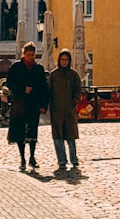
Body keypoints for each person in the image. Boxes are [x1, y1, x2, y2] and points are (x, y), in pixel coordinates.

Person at [6, 42, 48, 170]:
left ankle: (32, 156)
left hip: (33, 103)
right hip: (20, 103)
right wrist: (23, 89)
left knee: (33, 130)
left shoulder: (38, 69)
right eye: (28, 54)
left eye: (32, 55)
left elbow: (43, 88)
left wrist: (43, 104)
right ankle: (22, 158)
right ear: (24, 54)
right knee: (20, 130)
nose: (30, 57)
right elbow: (10, 83)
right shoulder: (16, 67)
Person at [48, 48, 82, 172]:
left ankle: (73, 158)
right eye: (62, 59)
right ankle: (61, 160)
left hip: (69, 110)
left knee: (70, 135)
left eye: (66, 59)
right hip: (56, 110)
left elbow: (78, 90)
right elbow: (49, 91)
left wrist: (74, 102)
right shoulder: (54, 74)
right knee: (58, 136)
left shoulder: (73, 74)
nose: (64, 62)